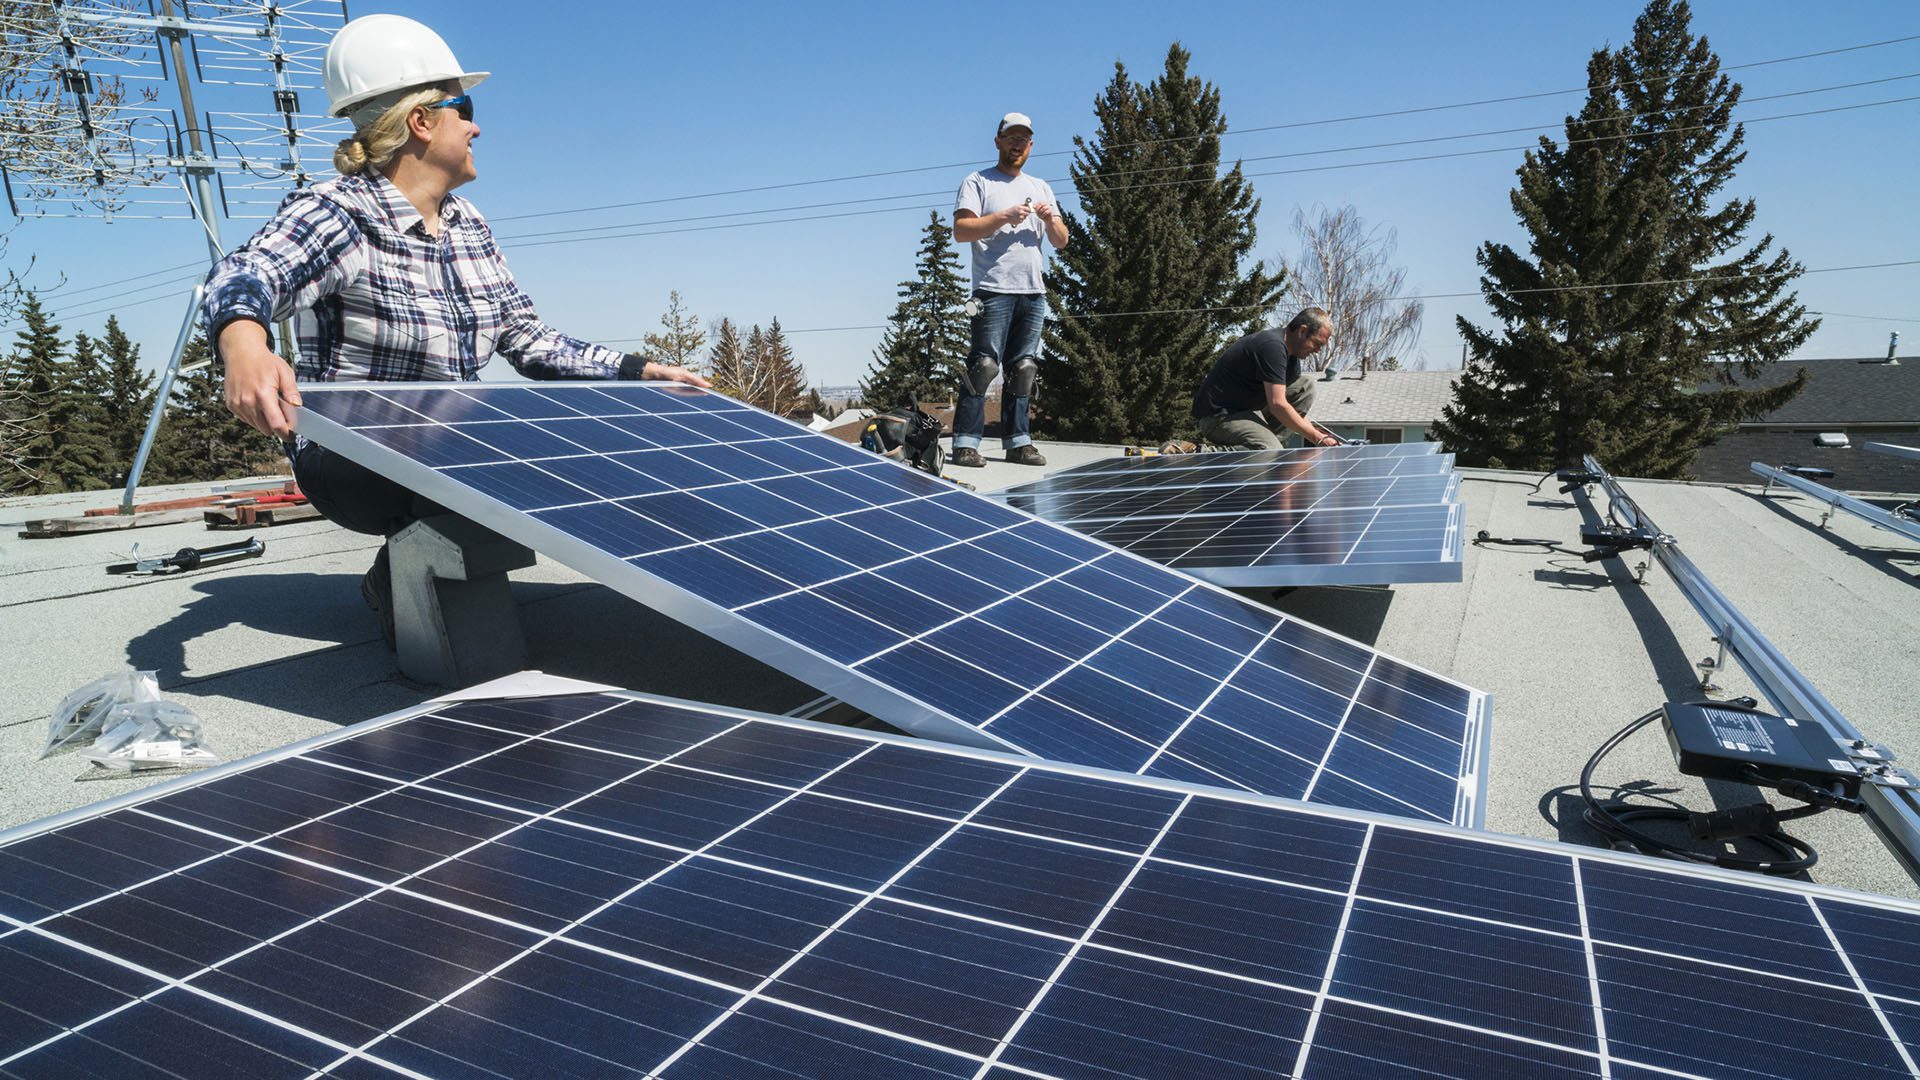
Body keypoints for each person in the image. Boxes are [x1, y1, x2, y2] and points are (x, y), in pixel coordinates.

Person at [206, 13, 706, 646]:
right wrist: (244, 341)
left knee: (558, 447)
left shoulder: (468, 224)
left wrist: (637, 372)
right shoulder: (339, 213)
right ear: (421, 120)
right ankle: (408, 590)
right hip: (350, 456)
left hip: (452, 440)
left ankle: (413, 568)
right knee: (490, 456)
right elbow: (246, 272)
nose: (476, 124)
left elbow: (527, 339)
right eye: (461, 107)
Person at [950, 112, 1069, 468]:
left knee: (1024, 369)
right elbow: (962, 230)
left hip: (1033, 291)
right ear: (998, 141)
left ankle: (1018, 442)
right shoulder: (978, 182)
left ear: (1031, 145)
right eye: (1011, 137)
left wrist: (1049, 220)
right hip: (992, 289)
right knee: (984, 366)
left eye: (1024, 139)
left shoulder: (1041, 187)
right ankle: (965, 443)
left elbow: (1061, 241)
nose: (1017, 144)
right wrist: (1004, 216)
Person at [1190, 308, 1340, 451]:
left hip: (1248, 412)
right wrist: (1317, 438)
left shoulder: (1292, 359)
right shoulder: (1272, 347)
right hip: (1219, 416)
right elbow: (1277, 404)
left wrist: (1318, 433)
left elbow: (1291, 409)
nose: (1317, 351)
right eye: (1317, 344)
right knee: (1268, 450)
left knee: (1305, 386)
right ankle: (1195, 453)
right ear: (1302, 331)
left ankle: (1269, 449)